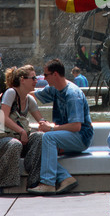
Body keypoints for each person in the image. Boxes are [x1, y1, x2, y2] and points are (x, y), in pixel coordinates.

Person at [27, 58, 94, 195]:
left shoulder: (72, 94)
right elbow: (32, 95)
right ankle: (65, 178)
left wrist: (51, 128)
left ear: (55, 74)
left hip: (81, 138)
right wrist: (11, 94)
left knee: (48, 138)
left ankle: (48, 183)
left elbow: (76, 127)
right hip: (66, 135)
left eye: (46, 75)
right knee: (40, 145)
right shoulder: (54, 89)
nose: (43, 78)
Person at [0, 65, 44, 191]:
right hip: (5, 139)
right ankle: (5, 184)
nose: (36, 81)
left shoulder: (29, 99)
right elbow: (3, 117)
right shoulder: (11, 93)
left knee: (40, 137)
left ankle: (34, 181)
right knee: (15, 144)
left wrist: (52, 128)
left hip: (19, 138)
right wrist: (21, 131)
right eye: (33, 78)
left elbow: (41, 120)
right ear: (22, 80)